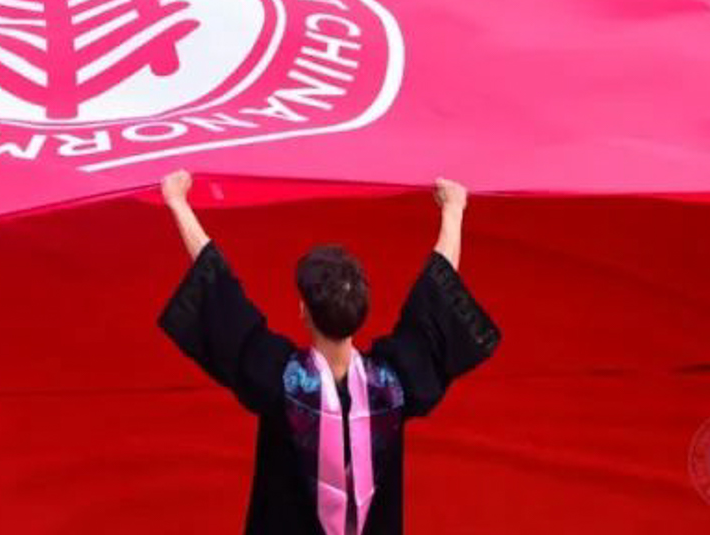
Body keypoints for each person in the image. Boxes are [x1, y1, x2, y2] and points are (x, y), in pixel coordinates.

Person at [157, 170, 500, 534]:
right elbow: (436, 300)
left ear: (303, 310)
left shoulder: (276, 380)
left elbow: (222, 294)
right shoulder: (394, 385)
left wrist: (178, 202)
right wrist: (453, 210)